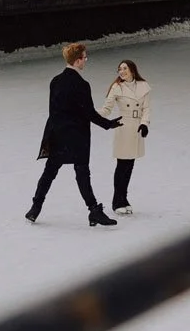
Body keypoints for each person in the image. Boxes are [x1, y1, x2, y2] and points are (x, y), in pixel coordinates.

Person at [27, 42, 122, 227]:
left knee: (49, 172)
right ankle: (94, 211)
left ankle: (35, 208)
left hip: (57, 134)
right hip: (77, 136)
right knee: (82, 173)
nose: (86, 60)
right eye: (84, 58)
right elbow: (88, 112)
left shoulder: (55, 81)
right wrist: (108, 124)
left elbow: (53, 109)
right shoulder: (81, 85)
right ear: (77, 61)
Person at [100, 59, 153, 215]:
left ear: (132, 70)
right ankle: (117, 201)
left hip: (136, 128)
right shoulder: (117, 88)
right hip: (123, 127)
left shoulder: (143, 86)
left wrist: (144, 124)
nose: (121, 71)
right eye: (119, 69)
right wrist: (90, 114)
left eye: (124, 68)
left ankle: (124, 198)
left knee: (129, 165)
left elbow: (147, 108)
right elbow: (107, 109)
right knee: (122, 165)